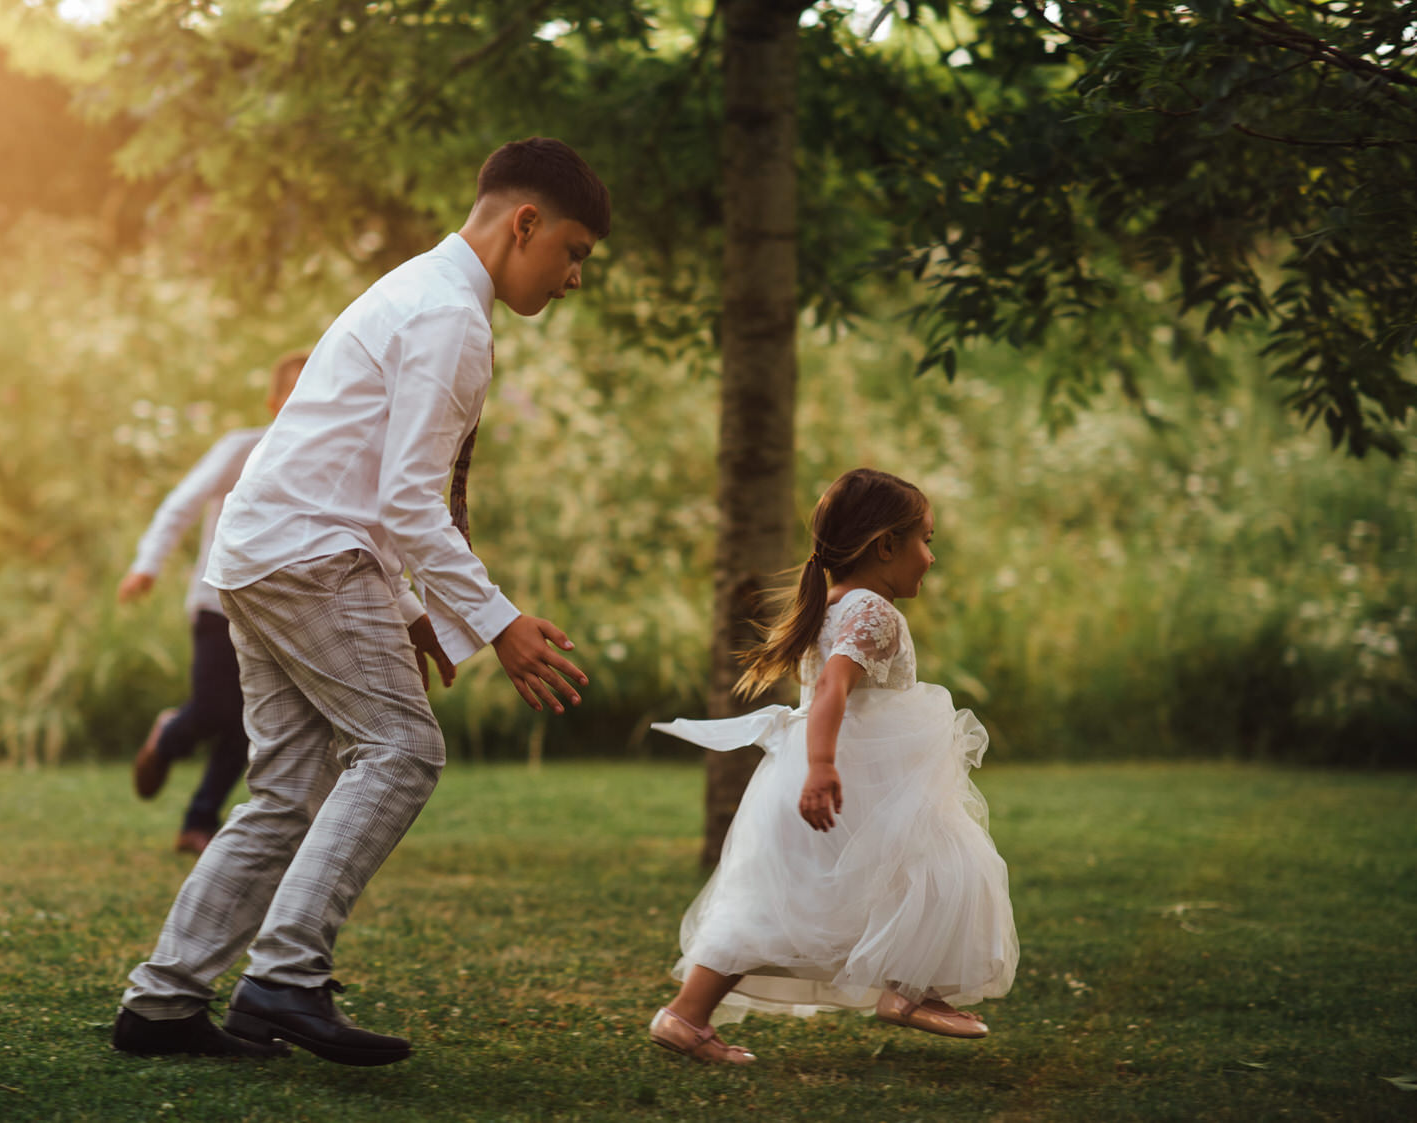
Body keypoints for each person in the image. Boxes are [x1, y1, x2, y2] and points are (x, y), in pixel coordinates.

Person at [110, 137, 610, 1065]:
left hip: (260, 554)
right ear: (524, 223)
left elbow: (364, 478)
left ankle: (164, 1005)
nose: (576, 276)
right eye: (574, 250)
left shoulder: (415, 289)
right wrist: (497, 623)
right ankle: (284, 978)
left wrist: (417, 608)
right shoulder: (449, 317)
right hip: (311, 556)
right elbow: (406, 498)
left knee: (288, 788)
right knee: (403, 750)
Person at [649, 468, 1018, 1065]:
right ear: (885, 546)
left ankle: (685, 1016)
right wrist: (823, 767)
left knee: (787, 901)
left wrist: (814, 766)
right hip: (853, 780)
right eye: (925, 539)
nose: (931, 555)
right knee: (948, 867)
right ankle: (908, 994)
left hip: (818, 775)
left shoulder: (833, 602)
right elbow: (831, 692)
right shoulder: (871, 609)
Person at [118, 351, 309, 855]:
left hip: (277, 612)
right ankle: (168, 737)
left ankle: (198, 820)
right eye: (294, 395)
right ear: (273, 403)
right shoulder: (243, 450)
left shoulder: (326, 463)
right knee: (215, 708)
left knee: (252, 723)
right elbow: (182, 502)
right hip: (217, 602)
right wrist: (147, 564)